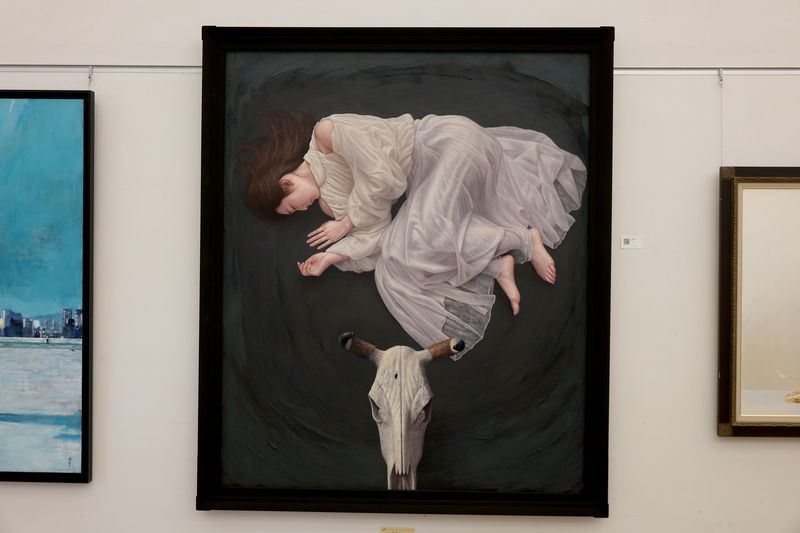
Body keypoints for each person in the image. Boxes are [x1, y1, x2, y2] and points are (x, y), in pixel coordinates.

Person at [246, 111, 585, 357]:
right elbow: (381, 234)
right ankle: (496, 265)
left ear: (286, 182)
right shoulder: (330, 203)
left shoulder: (326, 133)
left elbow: (386, 179)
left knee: (424, 235)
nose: (302, 211)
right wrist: (331, 256)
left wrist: (347, 224)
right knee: (394, 262)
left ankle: (525, 239)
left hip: (444, 144)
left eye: (292, 207)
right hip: (429, 177)